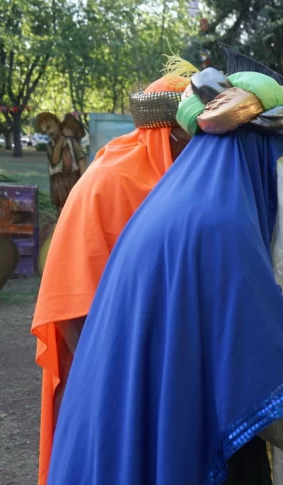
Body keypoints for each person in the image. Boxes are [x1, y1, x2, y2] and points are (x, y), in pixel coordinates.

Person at [45, 67, 283, 485]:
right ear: (254, 147)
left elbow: (200, 320)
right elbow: (250, 363)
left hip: (136, 408)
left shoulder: (174, 201)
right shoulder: (222, 220)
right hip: (176, 421)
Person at [30, 73, 193, 485]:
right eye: (196, 137)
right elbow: (72, 302)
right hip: (106, 371)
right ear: (172, 132)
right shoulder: (111, 180)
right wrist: (108, 378)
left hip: (154, 366)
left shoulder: (173, 181)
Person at [35, 112, 87, 212]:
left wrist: (84, 180)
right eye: (45, 131)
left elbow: (81, 159)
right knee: (62, 211)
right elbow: (55, 160)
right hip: (58, 183)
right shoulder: (51, 145)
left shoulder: (71, 140)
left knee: (75, 208)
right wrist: (61, 140)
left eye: (49, 127)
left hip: (72, 178)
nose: (49, 132)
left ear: (54, 121)